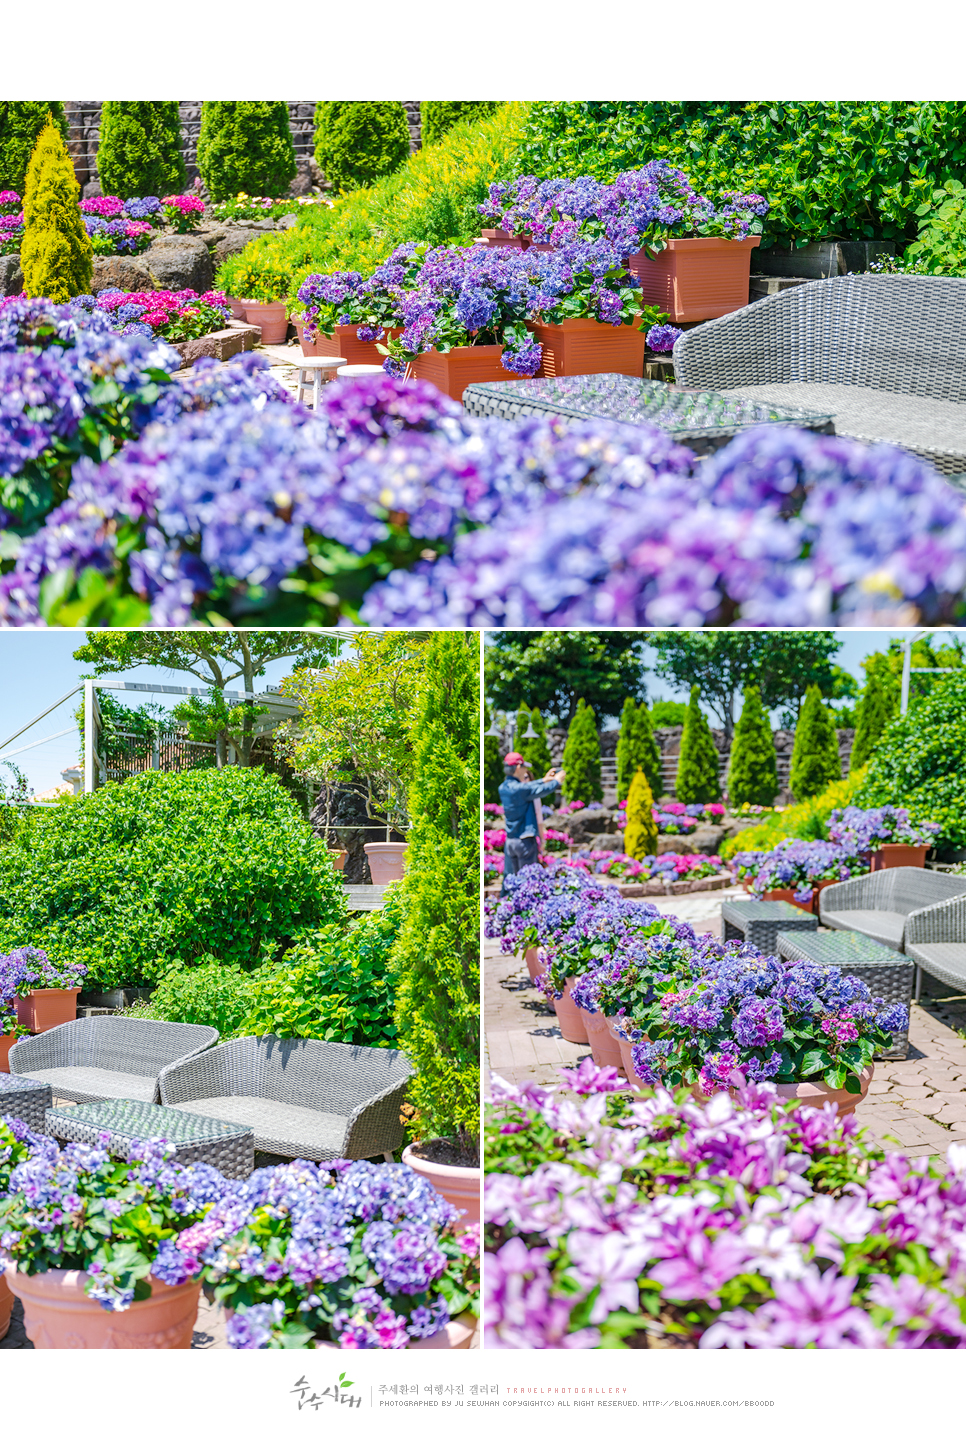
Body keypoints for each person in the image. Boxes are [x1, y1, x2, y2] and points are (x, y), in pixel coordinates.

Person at [498, 751, 564, 886]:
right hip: (525, 842)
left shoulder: (503, 788)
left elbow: (526, 787)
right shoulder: (520, 790)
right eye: (524, 767)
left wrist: (543, 780)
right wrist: (556, 781)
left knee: (515, 883)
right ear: (517, 768)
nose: (526, 770)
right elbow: (540, 790)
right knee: (529, 883)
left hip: (511, 842)